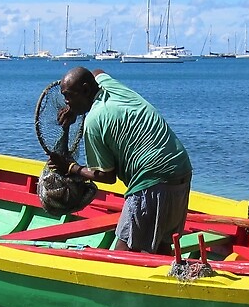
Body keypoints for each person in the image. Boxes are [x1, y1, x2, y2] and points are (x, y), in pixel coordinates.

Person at [49, 66, 192, 254]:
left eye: (69, 96)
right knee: (161, 244)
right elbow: (97, 71)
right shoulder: (110, 86)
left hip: (152, 179)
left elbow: (107, 176)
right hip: (181, 169)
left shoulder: (94, 120)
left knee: (123, 250)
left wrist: (71, 168)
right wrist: (73, 108)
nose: (66, 102)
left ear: (85, 90)